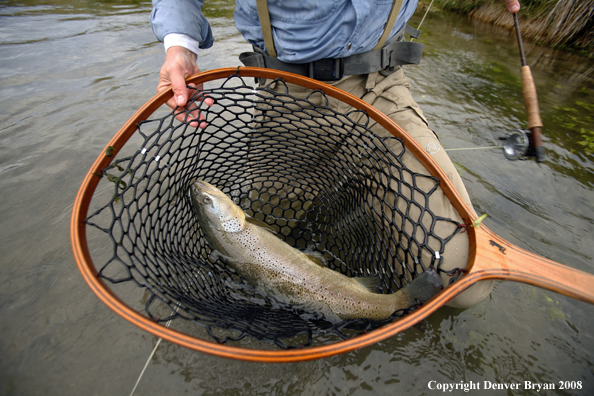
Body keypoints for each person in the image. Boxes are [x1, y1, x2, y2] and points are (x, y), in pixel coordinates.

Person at [149, 0, 520, 308]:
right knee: (272, 235)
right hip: (288, 89)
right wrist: (179, 45)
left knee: (464, 281)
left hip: (383, 86)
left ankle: (384, 289)